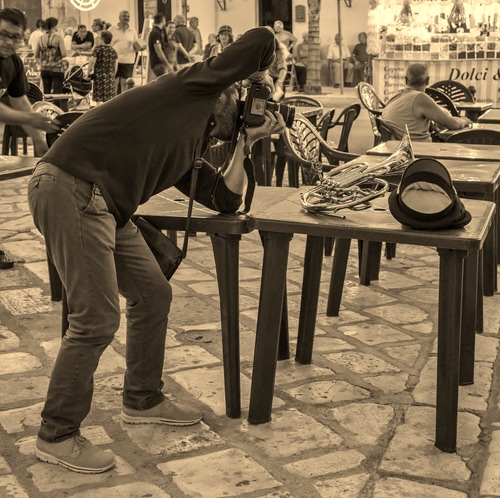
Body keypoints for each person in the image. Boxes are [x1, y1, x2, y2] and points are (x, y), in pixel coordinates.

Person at [29, 26, 284, 474]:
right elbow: (262, 38)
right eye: (242, 110)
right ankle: (57, 434)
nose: (238, 121)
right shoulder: (191, 87)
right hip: (71, 186)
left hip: (105, 205)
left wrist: (248, 141)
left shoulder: (194, 141)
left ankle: (142, 399)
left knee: (152, 293)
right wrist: (262, 81)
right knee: (96, 319)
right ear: (229, 93)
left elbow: (224, 199)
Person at [380, 63, 472, 141]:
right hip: (418, 151)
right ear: (427, 81)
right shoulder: (420, 98)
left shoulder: (395, 96)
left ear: (406, 80)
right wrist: (465, 120)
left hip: (396, 149)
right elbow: (453, 124)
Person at [109, 11, 146, 94]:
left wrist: (142, 47)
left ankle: (123, 101)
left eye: (128, 16)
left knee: (125, 85)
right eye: (124, 16)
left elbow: (136, 45)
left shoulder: (132, 30)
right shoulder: (112, 29)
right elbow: (107, 44)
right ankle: (114, 101)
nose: (126, 18)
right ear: (119, 17)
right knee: (114, 85)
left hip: (128, 61)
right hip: (114, 61)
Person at [34, 17, 67, 107]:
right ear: (54, 26)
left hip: (44, 68)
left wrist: (43, 59)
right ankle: (56, 110)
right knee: (57, 93)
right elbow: (64, 54)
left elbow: (36, 54)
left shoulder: (40, 38)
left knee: (46, 92)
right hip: (57, 68)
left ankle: (46, 109)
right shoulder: (58, 38)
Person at [87, 30, 117, 105]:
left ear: (102, 39)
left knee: (98, 98)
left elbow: (91, 62)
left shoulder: (98, 49)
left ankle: (99, 110)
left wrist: (88, 73)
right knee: (109, 98)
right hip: (109, 76)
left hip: (99, 76)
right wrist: (113, 75)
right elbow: (115, 65)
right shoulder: (113, 51)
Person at [148, 13, 171, 80]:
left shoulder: (159, 32)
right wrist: (167, 64)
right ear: (163, 21)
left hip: (159, 63)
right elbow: (158, 50)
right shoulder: (156, 33)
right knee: (164, 82)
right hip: (158, 63)